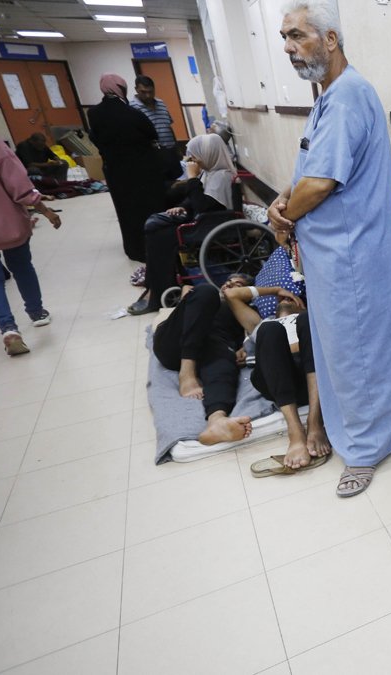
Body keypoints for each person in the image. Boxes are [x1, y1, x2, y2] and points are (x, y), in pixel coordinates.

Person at [269, 0, 391, 497]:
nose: (290, 49)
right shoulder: (330, 96)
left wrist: (286, 215)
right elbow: (306, 170)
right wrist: (280, 202)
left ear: (331, 39)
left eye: (298, 36)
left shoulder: (346, 97)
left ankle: (363, 450)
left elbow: (318, 184)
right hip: (342, 251)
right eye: (285, 40)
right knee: (365, 346)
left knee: (357, 352)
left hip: (351, 255)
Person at [152, 275, 276, 445]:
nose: (229, 285)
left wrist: (244, 347)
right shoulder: (206, 296)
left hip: (212, 345)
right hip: (174, 342)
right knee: (205, 291)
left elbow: (254, 331)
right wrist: (186, 296)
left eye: (237, 285)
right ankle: (186, 373)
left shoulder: (241, 310)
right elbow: (186, 295)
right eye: (228, 282)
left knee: (224, 363)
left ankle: (217, 421)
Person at [221, 285, 332, 473]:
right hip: (276, 379)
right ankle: (295, 431)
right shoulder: (262, 325)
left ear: (302, 304)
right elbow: (231, 294)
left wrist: (303, 312)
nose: (285, 301)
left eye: (292, 298)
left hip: (313, 377)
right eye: (281, 301)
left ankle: (315, 422)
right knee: (269, 329)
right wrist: (277, 290)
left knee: (308, 320)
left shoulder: (308, 317)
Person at [128, 133, 238, 315]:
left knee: (159, 237)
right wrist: (181, 207)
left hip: (210, 227)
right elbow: (196, 200)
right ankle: (154, 287)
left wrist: (192, 178)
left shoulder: (222, 177)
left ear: (208, 154)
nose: (192, 161)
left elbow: (203, 206)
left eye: (195, 156)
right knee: (154, 229)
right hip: (202, 223)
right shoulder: (210, 173)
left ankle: (156, 292)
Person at [0, 131, 62, 356]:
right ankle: (37, 313)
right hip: (7, 222)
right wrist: (44, 209)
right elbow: (16, 182)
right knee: (21, 267)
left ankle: (8, 329)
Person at [88, 73, 166, 262]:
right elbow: (151, 133)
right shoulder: (132, 113)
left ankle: (134, 248)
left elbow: (94, 137)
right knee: (148, 206)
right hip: (142, 169)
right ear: (121, 89)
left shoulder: (94, 113)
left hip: (115, 170)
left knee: (125, 209)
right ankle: (156, 245)